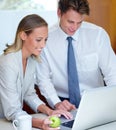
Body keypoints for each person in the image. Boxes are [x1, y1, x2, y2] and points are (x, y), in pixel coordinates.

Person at [36, 0, 116, 111]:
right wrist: (57, 103)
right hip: (62, 102)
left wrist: (111, 101)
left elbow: (112, 73)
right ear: (59, 13)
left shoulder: (97, 35)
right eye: (70, 21)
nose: (74, 27)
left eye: (79, 22)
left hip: (95, 99)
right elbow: (43, 79)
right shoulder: (45, 39)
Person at [0, 14, 72, 130]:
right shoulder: (8, 63)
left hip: (11, 122)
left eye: (45, 40)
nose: (43, 45)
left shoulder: (31, 59)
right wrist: (40, 123)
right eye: (38, 40)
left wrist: (50, 111)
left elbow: (29, 94)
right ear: (23, 35)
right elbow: (12, 110)